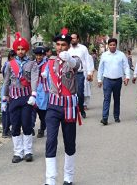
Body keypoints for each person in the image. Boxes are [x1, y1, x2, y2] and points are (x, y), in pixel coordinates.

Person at [44, 28, 81, 185]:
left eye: (63, 45)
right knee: (51, 141)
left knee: (69, 141)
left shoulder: (74, 59)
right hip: (53, 106)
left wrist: (69, 60)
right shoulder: (50, 61)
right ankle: (50, 179)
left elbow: (76, 65)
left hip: (68, 106)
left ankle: (68, 177)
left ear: (68, 46)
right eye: (58, 44)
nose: (60, 48)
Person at [1, 33, 38, 163]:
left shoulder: (32, 64)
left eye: (23, 49)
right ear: (15, 50)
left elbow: (34, 79)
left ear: (26, 50)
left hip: (27, 97)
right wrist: (4, 98)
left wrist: (34, 93)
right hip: (14, 98)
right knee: (15, 125)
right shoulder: (10, 64)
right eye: (18, 49)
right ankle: (18, 152)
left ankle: (28, 151)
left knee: (27, 124)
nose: (21, 51)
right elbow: (6, 82)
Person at [97, 38, 130, 125]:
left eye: (114, 45)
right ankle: (104, 118)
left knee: (117, 99)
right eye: (110, 45)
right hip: (107, 80)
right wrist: (99, 79)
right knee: (106, 99)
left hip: (118, 80)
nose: (112, 46)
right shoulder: (104, 55)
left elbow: (126, 66)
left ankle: (116, 116)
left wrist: (127, 77)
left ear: (116, 45)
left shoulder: (121, 55)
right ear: (108, 46)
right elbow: (101, 68)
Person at [68, 33, 93, 119]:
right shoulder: (67, 48)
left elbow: (87, 60)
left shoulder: (83, 48)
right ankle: (71, 111)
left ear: (78, 39)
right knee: (69, 94)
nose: (72, 40)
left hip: (79, 74)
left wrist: (89, 73)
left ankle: (81, 109)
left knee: (79, 93)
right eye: (71, 38)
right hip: (69, 74)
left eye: (74, 38)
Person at [32, 46, 49, 138]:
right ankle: (31, 127)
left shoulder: (47, 64)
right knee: (32, 110)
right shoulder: (32, 64)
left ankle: (42, 129)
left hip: (43, 89)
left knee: (42, 112)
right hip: (34, 89)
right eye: (37, 55)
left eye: (41, 55)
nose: (39, 57)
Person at [1, 50, 16, 138]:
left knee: (8, 110)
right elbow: (7, 80)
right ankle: (5, 130)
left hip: (8, 89)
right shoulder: (9, 65)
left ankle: (6, 129)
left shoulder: (8, 64)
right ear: (11, 57)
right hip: (7, 90)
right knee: (6, 111)